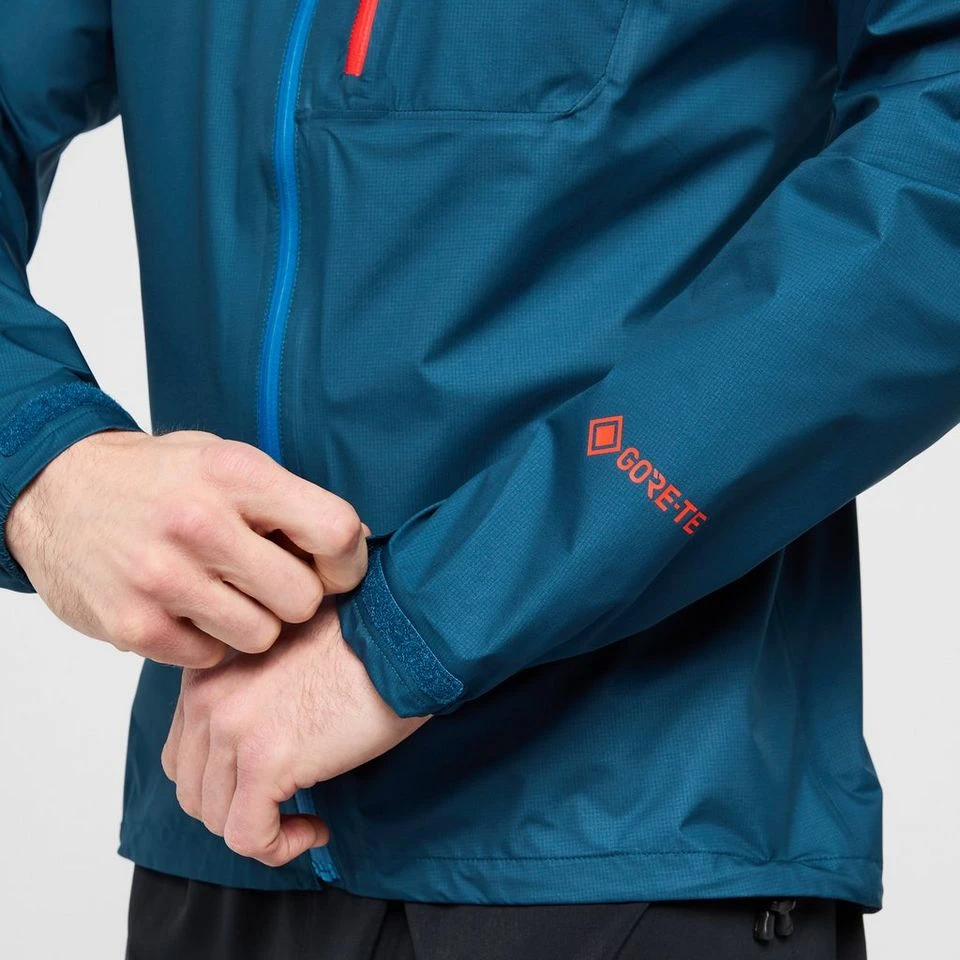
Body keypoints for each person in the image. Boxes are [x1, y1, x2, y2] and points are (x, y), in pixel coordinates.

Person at [1, 0, 957, 956]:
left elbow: (940, 164)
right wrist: (42, 462)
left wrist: (417, 628)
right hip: (226, 819)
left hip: (628, 837)